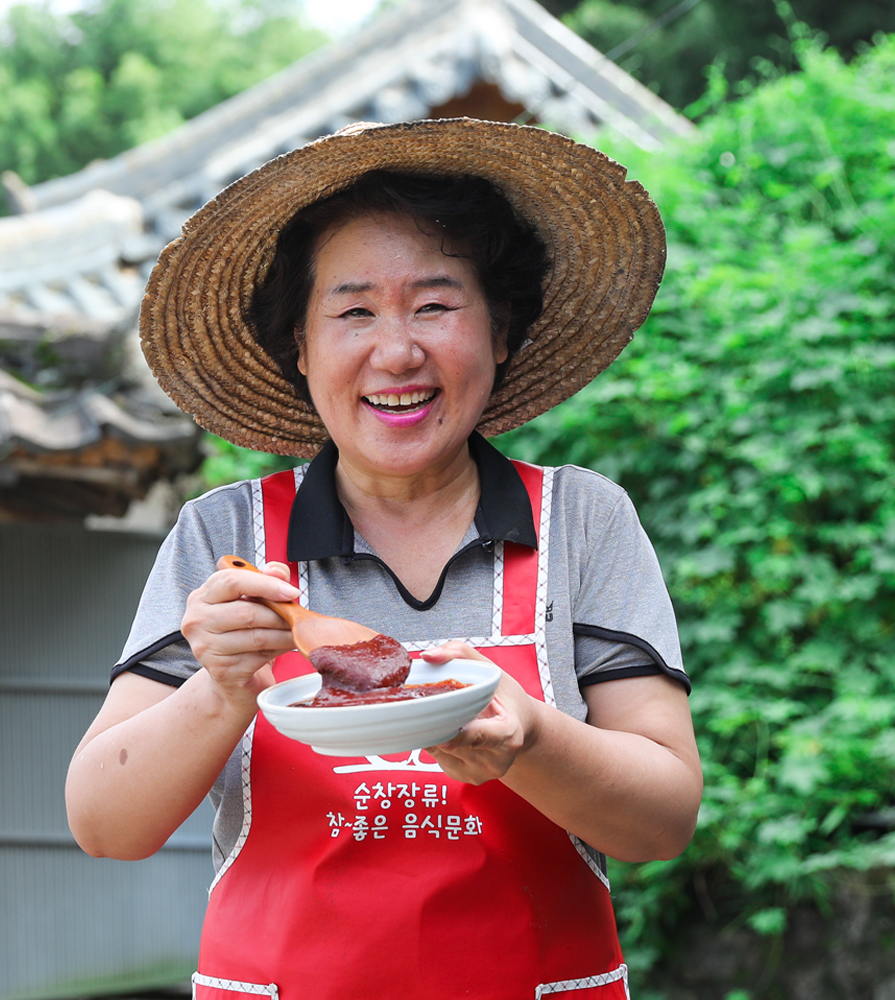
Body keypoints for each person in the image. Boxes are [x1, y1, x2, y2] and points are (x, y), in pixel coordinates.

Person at [66, 118, 702, 1000]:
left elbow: (664, 818)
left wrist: (533, 738)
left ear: (502, 331)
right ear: (300, 346)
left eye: (436, 305)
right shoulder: (226, 542)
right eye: (353, 310)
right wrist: (220, 690)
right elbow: (106, 824)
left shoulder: (581, 521)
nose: (396, 352)